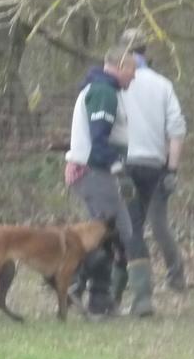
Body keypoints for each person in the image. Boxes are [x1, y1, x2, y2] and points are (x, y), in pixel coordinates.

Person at [64, 44, 149, 317]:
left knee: (109, 235)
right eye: (132, 71)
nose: (134, 77)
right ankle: (78, 285)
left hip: (93, 171)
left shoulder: (105, 90)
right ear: (120, 66)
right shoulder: (103, 92)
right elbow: (99, 141)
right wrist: (117, 169)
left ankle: (88, 292)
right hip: (94, 171)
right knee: (115, 233)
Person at [117, 27, 188, 293]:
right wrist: (172, 168)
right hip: (156, 165)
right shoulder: (162, 84)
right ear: (145, 51)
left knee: (128, 225)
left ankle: (132, 285)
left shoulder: (117, 83)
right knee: (159, 224)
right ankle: (176, 276)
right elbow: (177, 129)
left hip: (124, 164)